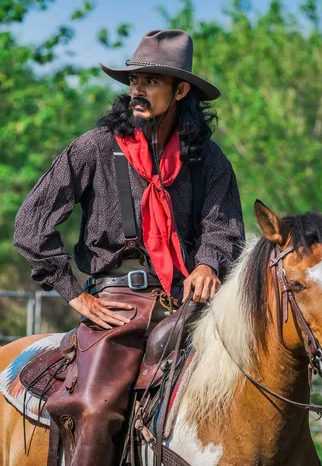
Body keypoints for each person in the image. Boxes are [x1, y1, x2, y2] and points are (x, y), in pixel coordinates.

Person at [13, 29, 245, 466]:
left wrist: (209, 264)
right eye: (134, 80)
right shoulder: (95, 148)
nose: (137, 89)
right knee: (96, 412)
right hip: (116, 305)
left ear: (180, 90)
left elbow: (224, 228)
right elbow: (31, 224)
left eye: (151, 80)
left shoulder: (208, 159)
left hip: (188, 306)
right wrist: (75, 293)